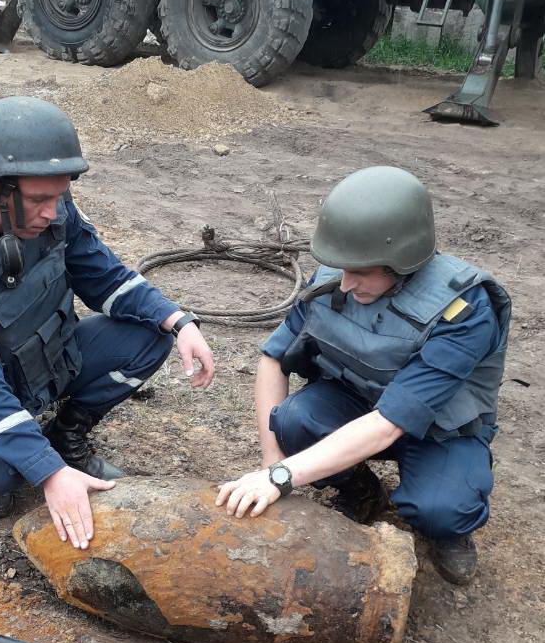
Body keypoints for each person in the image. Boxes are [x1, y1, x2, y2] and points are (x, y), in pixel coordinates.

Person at [0, 96, 214, 551]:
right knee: (0, 476)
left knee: (149, 333)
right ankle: (24, 457)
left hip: (44, 352)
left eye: (58, 196)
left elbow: (102, 274)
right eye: (40, 200)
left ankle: (65, 433)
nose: (52, 212)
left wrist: (178, 320)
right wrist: (50, 475)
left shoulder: (50, 203)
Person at [216, 166, 510, 586]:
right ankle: (360, 489)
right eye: (342, 268)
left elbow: (391, 422)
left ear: (403, 258)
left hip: (438, 429)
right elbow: (272, 362)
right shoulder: (334, 279)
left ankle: (449, 531)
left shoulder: (464, 311)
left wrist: (282, 478)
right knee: (291, 420)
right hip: (360, 404)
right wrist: (271, 461)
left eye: (362, 271)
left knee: (441, 510)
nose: (346, 284)